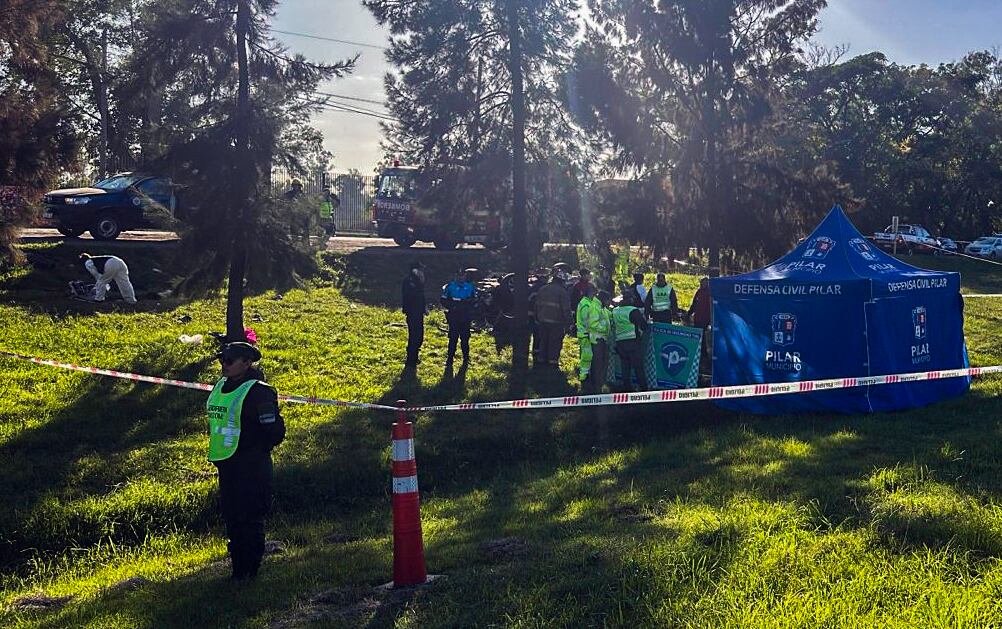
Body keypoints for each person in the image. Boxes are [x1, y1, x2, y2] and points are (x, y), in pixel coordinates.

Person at [206, 342, 285, 581]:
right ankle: (237, 570)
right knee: (232, 518)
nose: (224, 365)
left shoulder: (259, 392)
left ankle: (250, 571)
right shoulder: (221, 386)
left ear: (247, 363)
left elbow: (274, 430)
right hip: (227, 463)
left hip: (252, 466)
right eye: (222, 360)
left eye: (230, 360)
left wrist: (256, 448)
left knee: (250, 519)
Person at [612, 287, 649, 392]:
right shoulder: (632, 310)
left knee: (625, 368)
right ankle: (644, 390)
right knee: (638, 368)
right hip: (632, 342)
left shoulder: (615, 311)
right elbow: (644, 326)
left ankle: (627, 389)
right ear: (630, 300)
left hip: (620, 342)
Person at [534, 268, 571, 366]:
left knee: (543, 341)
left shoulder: (542, 289)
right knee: (554, 343)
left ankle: (541, 361)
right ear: (562, 281)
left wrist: (537, 317)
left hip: (542, 320)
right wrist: (569, 322)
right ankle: (552, 363)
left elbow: (536, 305)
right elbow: (566, 309)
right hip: (556, 322)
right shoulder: (562, 292)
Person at [441, 268, 477, 368]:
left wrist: (469, 305)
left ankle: (466, 358)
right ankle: (450, 358)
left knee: (465, 338)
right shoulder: (449, 287)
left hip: (465, 315)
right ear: (455, 276)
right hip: (454, 315)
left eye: (463, 275)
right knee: (453, 337)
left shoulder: (470, 287)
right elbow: (443, 300)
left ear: (465, 276)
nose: (461, 277)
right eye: (459, 275)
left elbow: (475, 300)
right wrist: (452, 306)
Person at [401, 261, 426, 368]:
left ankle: (414, 357)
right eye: (420, 269)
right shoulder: (410, 281)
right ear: (415, 270)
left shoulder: (417, 280)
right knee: (414, 336)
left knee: (419, 335)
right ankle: (411, 359)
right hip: (413, 312)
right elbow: (412, 297)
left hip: (418, 311)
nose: (422, 271)